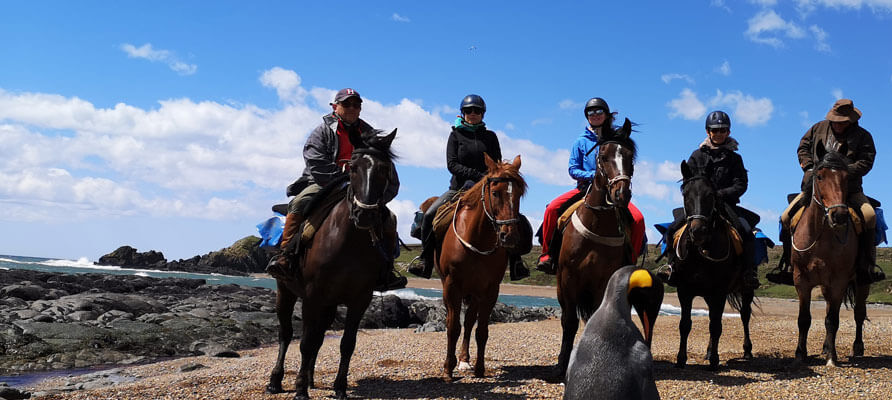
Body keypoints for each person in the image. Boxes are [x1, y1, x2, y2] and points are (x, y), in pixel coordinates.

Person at [266, 88, 407, 291]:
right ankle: (285, 257)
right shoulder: (322, 131)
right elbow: (315, 161)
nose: (351, 108)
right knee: (299, 203)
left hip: (360, 188)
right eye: (346, 104)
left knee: (389, 218)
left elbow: (383, 166)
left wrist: (380, 194)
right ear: (335, 107)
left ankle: (386, 270)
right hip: (323, 183)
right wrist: (341, 178)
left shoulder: (369, 133)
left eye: (356, 105)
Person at [766, 99, 886, 286]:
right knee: (785, 217)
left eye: (843, 121)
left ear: (851, 120)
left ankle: (866, 266)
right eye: (836, 120)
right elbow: (803, 147)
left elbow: (866, 161)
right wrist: (809, 166)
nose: (838, 124)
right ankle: (788, 266)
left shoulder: (863, 136)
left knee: (870, 216)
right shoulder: (817, 128)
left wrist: (841, 172)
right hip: (815, 187)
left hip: (849, 189)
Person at [413, 94, 532, 280]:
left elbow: (497, 163)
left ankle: (516, 263)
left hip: (489, 187)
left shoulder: (490, 137)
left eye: (477, 110)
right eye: (468, 110)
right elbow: (452, 164)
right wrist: (477, 176)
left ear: (483, 114)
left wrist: (492, 176)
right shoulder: (455, 135)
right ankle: (425, 261)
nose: (473, 113)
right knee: (429, 216)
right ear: (463, 113)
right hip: (459, 188)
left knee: (512, 219)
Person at [535, 97, 646, 273]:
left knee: (638, 219)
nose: (595, 115)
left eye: (599, 111)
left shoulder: (615, 139)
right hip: (585, 189)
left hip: (612, 190)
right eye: (591, 112)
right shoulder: (580, 141)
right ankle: (547, 254)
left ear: (606, 115)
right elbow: (573, 169)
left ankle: (630, 263)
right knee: (551, 209)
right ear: (587, 116)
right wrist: (594, 176)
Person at [657, 111, 761, 289]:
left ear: (728, 132)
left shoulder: (735, 159)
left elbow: (741, 184)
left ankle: (748, 271)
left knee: (745, 231)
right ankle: (671, 267)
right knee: (672, 229)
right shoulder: (696, 155)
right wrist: (700, 195)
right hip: (699, 206)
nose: (718, 133)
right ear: (708, 132)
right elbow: (687, 182)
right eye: (715, 130)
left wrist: (719, 194)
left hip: (725, 204)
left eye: (722, 130)